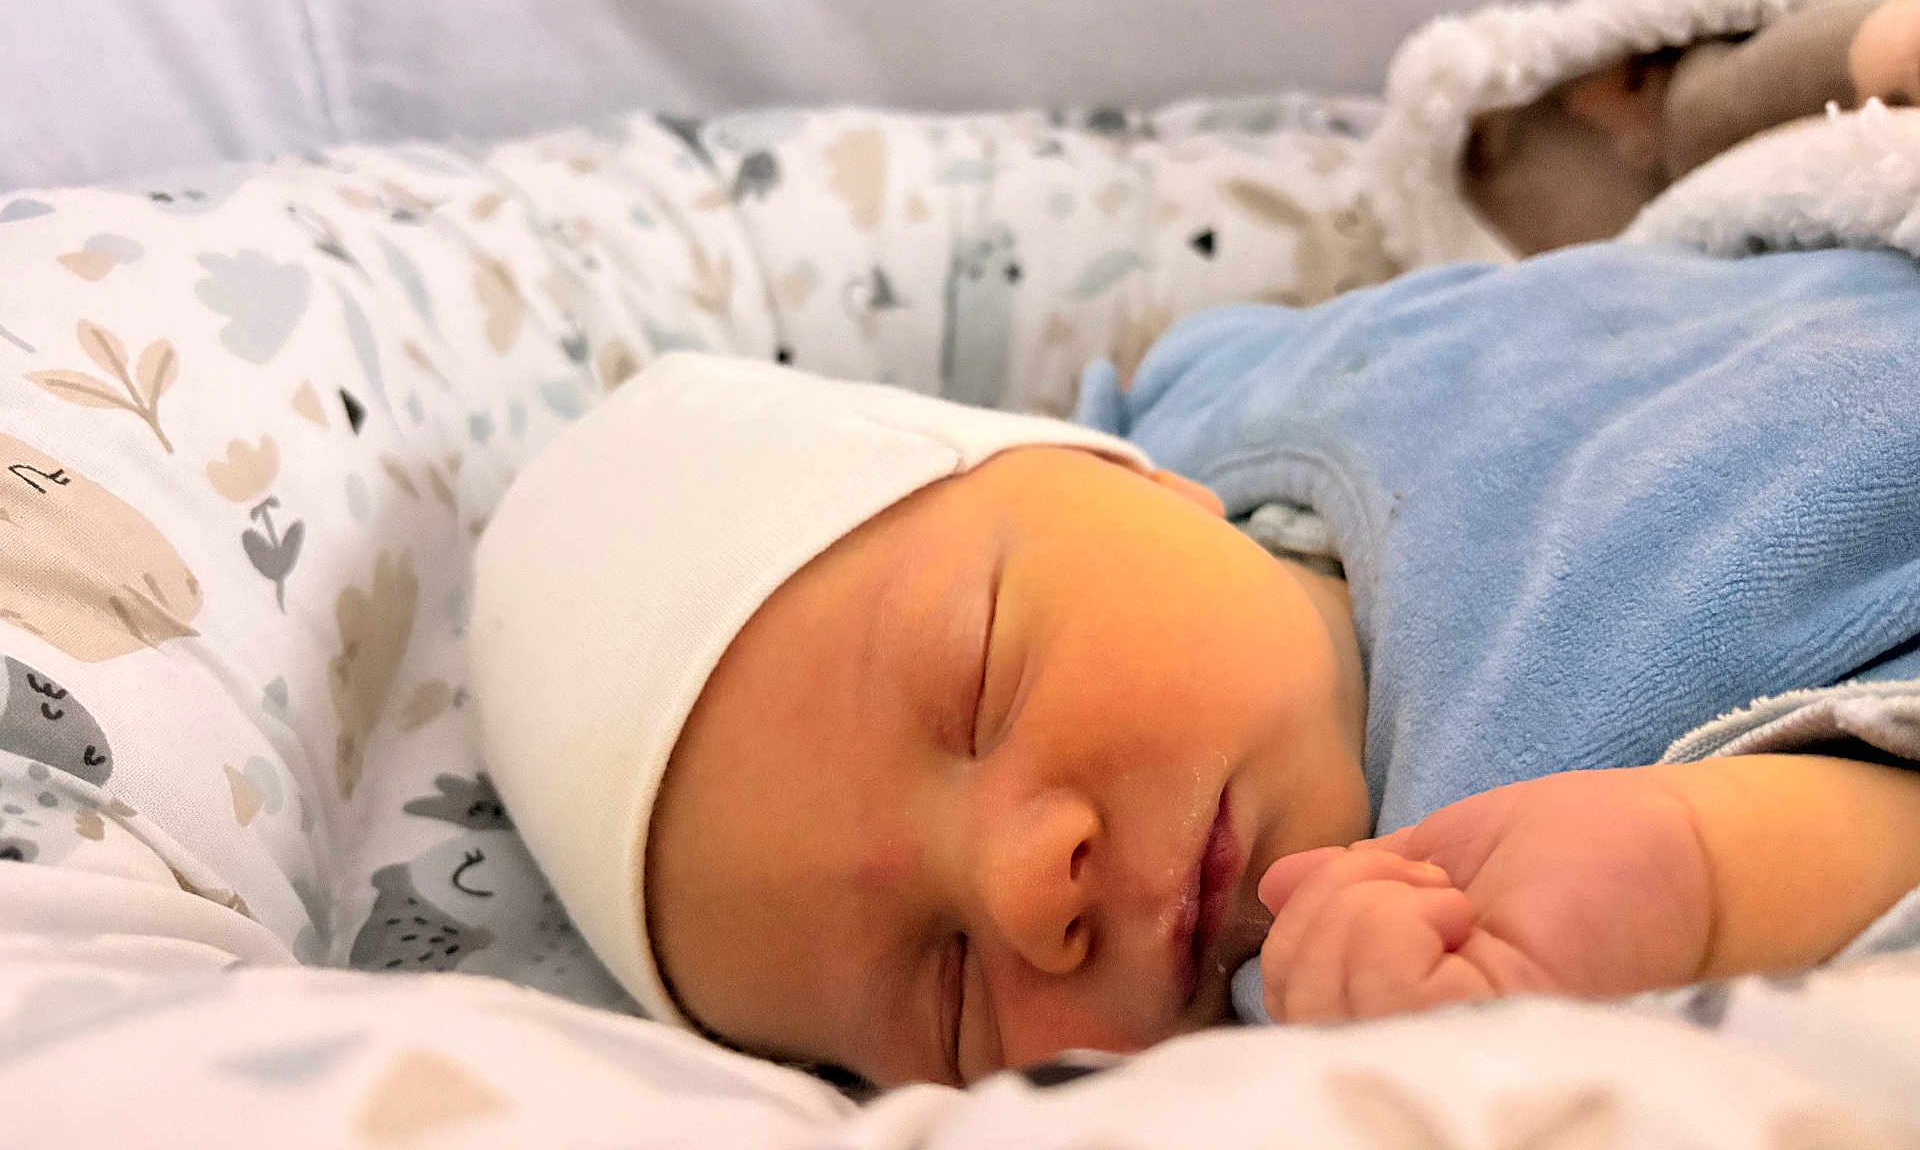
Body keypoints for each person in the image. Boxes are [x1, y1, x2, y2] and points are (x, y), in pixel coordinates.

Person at [468, 237, 1920, 1091]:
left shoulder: (1243, 387)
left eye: (980, 685)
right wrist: (1702, 883)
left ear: (1133, 476)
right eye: (952, 994)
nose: (1031, 887)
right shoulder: (1352, 1022)